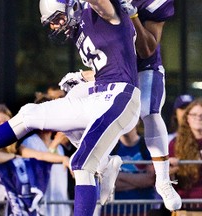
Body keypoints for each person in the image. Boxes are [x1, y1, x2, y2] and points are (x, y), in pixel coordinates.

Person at [0, 0, 142, 215]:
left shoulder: (104, 13)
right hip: (100, 94)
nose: (55, 26)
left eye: (57, 19)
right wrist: (84, 76)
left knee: (81, 165)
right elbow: (110, 65)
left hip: (120, 98)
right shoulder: (82, 28)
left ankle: (101, 163)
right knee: (29, 113)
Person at [58, 0, 181, 211]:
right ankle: (105, 163)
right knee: (73, 108)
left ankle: (162, 179)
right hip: (111, 71)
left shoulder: (153, 3)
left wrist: (134, 18)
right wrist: (85, 75)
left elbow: (147, 50)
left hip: (143, 68)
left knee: (149, 112)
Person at [0, 103, 71, 215]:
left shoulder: (17, 148)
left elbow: (40, 155)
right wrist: (14, 157)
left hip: (14, 207)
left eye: (6, 123)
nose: (2, 127)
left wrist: (63, 158)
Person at [103, 123, 156, 215]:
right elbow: (106, 182)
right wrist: (140, 182)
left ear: (136, 120)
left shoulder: (148, 146)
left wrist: (118, 176)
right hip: (113, 211)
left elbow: (151, 180)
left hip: (143, 210)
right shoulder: (109, 147)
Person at [168, 98, 202, 212]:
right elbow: (166, 178)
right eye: (194, 114)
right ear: (187, 118)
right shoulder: (175, 144)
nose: (198, 118)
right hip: (185, 206)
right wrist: (171, 170)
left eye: (201, 114)